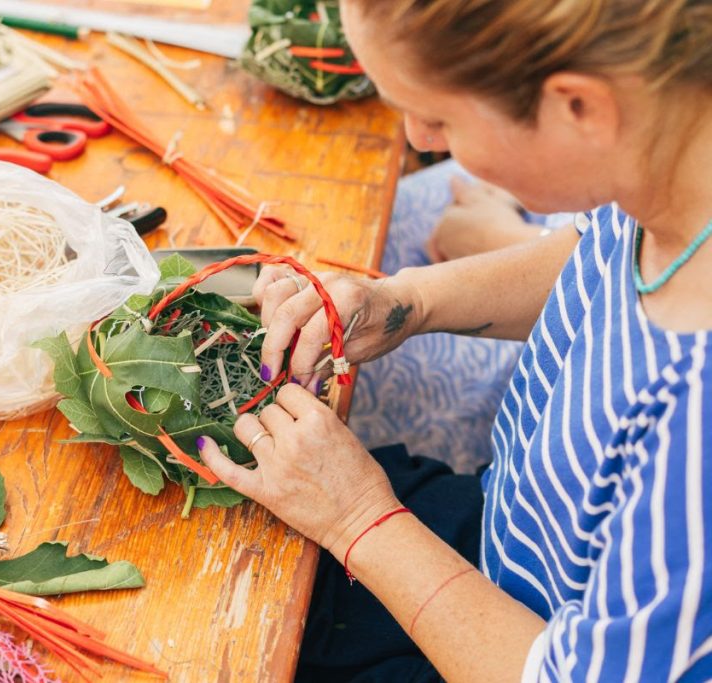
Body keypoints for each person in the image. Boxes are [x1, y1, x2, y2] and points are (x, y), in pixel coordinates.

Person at [194, 0, 712, 680]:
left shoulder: (694, 421)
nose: (420, 139)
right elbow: (597, 255)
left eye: (438, 117)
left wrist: (358, 518)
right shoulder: (667, 155)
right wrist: (407, 302)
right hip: (501, 541)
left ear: (578, 108)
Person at [349, 160, 573, 473]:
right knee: (367, 218)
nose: (421, 139)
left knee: (366, 378)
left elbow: (604, 276)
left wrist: (498, 238)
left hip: (564, 293)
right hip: (559, 208)